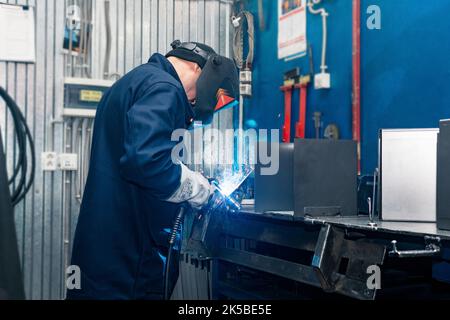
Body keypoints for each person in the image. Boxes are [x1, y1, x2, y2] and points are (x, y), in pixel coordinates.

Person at [66, 41, 238, 300]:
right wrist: (198, 189)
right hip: (129, 260)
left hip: (101, 252)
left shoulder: (132, 82)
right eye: (195, 97)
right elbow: (146, 161)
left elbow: (139, 153)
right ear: (196, 67)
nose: (192, 103)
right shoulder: (164, 88)